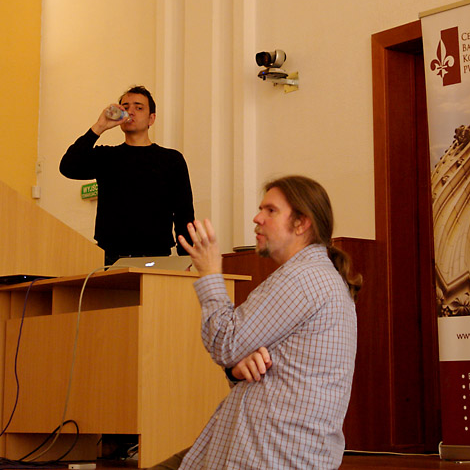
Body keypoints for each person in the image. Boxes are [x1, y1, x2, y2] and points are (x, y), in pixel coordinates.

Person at [152, 175, 361, 470]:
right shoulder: (314, 274)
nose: (257, 218)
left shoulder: (301, 279)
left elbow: (225, 342)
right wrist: (236, 369)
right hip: (262, 446)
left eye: (270, 210)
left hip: (269, 455)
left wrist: (210, 272)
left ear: (301, 223)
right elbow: (241, 358)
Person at [59, 85, 194, 265]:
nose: (131, 112)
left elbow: (184, 214)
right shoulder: (106, 156)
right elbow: (68, 166)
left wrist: (186, 260)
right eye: (125, 107)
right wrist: (100, 126)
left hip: (156, 256)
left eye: (139, 107)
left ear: (151, 118)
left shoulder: (171, 159)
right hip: (111, 257)